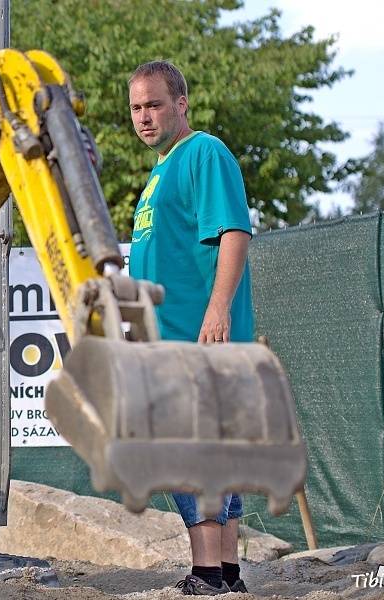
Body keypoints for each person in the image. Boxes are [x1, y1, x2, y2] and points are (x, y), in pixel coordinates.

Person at [127, 60, 255, 595]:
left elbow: (233, 231)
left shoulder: (205, 152)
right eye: (136, 108)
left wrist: (218, 308)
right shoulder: (159, 172)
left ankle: (205, 573)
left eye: (154, 104)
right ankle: (226, 572)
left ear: (181, 103)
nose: (144, 116)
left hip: (199, 338)